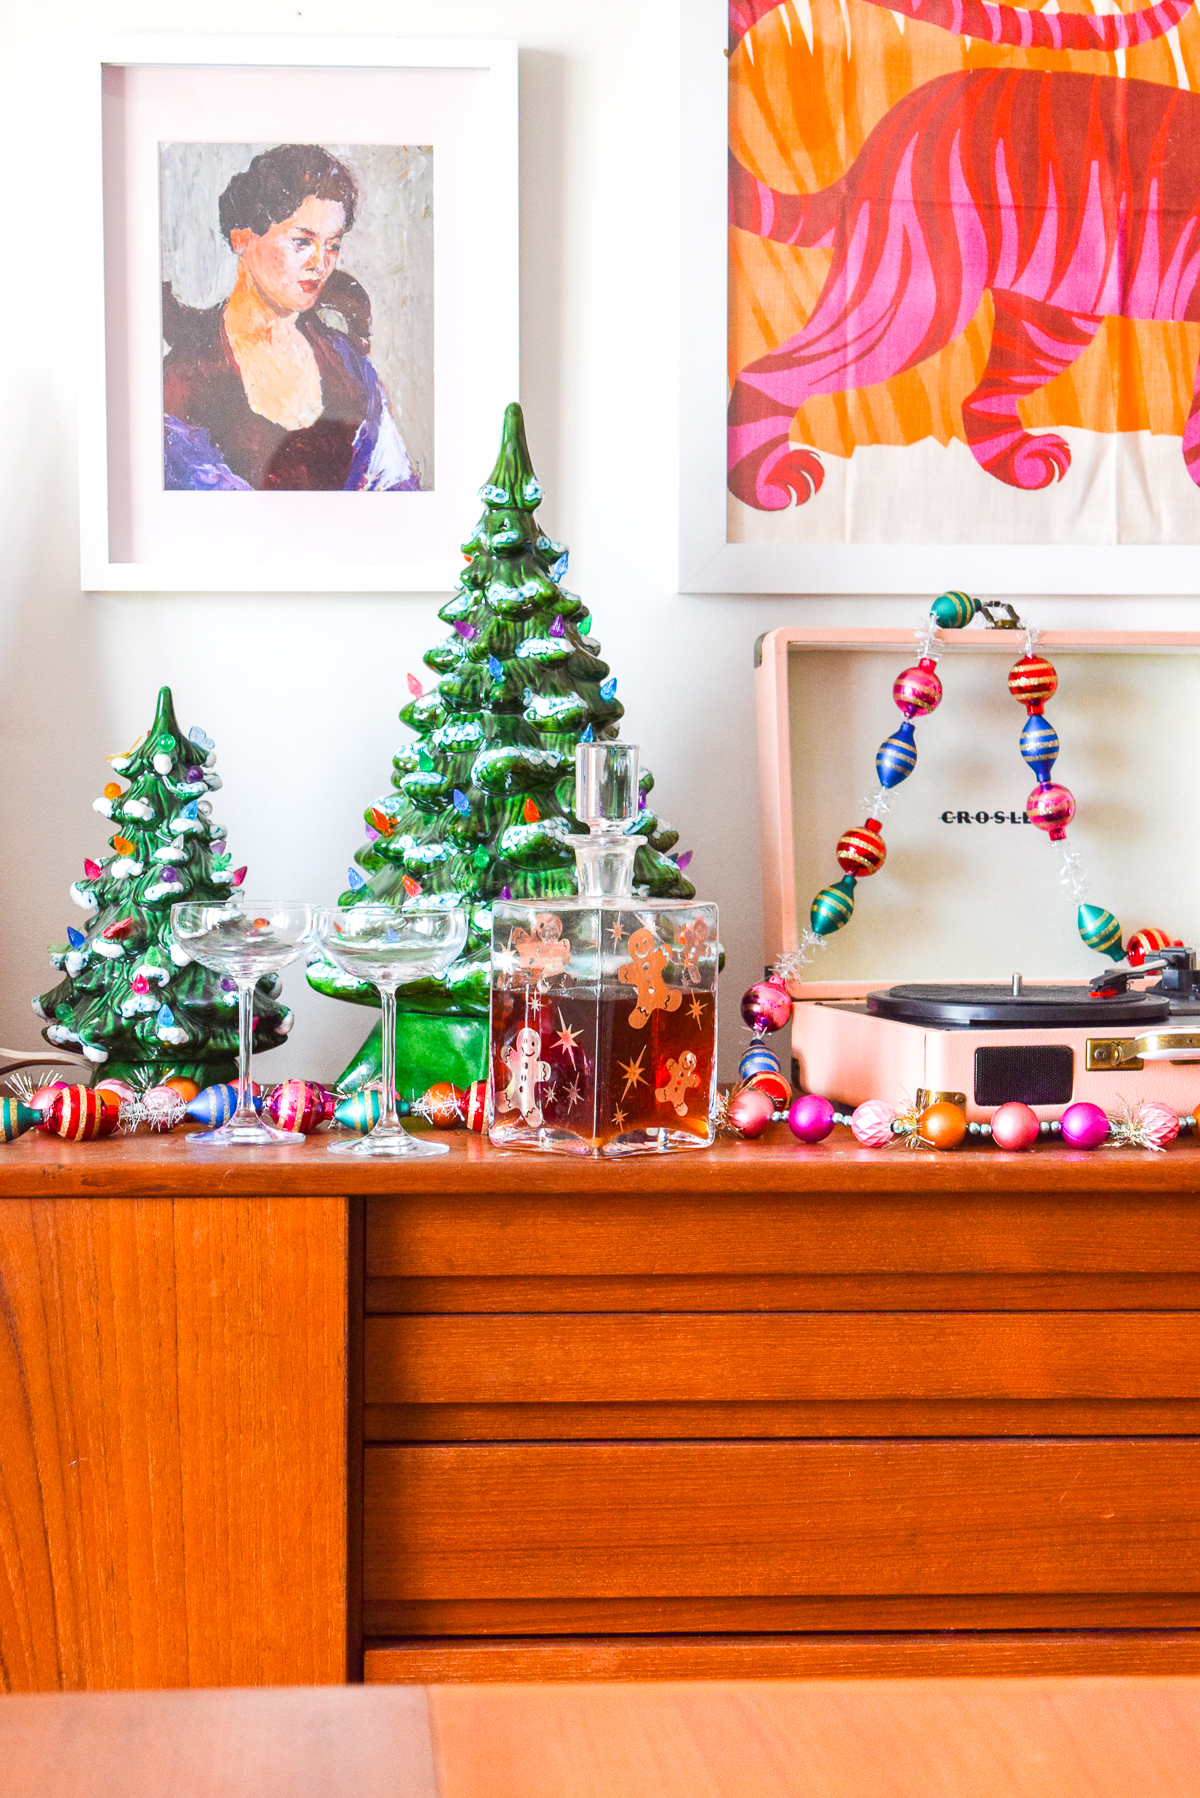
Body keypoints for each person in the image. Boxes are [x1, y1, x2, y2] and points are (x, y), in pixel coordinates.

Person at [163, 144, 421, 492]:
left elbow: (397, 488)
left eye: (333, 245)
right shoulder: (186, 377)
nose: (322, 263)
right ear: (243, 239)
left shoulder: (349, 366)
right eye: (302, 242)